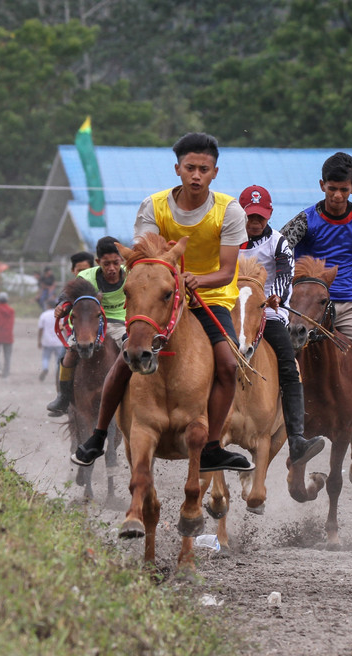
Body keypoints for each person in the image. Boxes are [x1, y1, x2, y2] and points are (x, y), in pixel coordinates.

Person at [71, 132, 254, 472]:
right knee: (127, 356)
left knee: (228, 364)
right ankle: (97, 436)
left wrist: (195, 279)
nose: (196, 175)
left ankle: (212, 445)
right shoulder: (152, 205)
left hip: (209, 296)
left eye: (204, 168)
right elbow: (143, 257)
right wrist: (166, 280)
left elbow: (228, 271)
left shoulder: (229, 210)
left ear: (215, 172)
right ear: (177, 169)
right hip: (159, 294)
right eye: (190, 168)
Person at [280, 152, 352, 449]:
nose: (337, 195)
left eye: (343, 189)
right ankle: (272, 415)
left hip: (347, 304)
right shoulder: (306, 219)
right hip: (305, 306)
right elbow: (279, 248)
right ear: (322, 185)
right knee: (279, 359)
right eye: (332, 188)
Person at [236, 184, 327, 464]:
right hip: (233, 307)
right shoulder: (227, 239)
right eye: (250, 217)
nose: (254, 223)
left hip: (270, 311)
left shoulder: (278, 242)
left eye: (260, 217)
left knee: (290, 365)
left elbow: (286, 277)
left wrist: (273, 297)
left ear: (269, 215)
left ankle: (297, 438)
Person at [46, 237, 127, 416]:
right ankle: (64, 396)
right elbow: (66, 295)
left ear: (122, 260)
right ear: (98, 262)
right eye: (106, 264)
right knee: (69, 352)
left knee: (134, 351)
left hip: (121, 323)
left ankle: (141, 395)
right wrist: (61, 305)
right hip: (91, 322)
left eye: (116, 262)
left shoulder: (132, 273)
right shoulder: (86, 277)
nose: (112, 268)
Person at [37, 298, 61, 382]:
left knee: (46, 357)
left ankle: (45, 368)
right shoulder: (59, 314)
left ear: (48, 305)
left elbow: (40, 329)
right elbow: (63, 327)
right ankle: (58, 374)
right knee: (58, 359)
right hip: (59, 341)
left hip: (47, 341)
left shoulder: (44, 315)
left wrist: (39, 341)